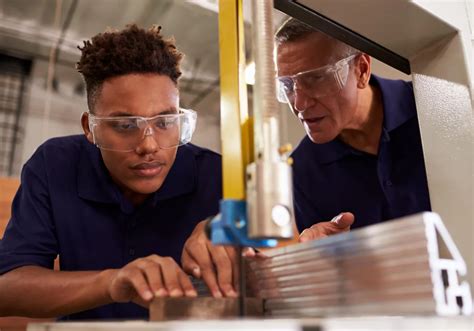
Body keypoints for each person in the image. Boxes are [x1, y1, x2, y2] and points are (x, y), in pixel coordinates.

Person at [181, 17, 431, 298]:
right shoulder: (302, 171)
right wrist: (310, 253)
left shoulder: (438, 113)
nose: (298, 103)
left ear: (361, 69)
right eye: (287, 86)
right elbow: (309, 277)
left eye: (315, 78)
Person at [0, 24, 222, 320]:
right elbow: (8, 291)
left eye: (165, 122)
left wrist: (224, 227)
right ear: (89, 128)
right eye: (125, 125)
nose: (149, 145)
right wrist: (112, 282)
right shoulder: (55, 165)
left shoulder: (216, 175)